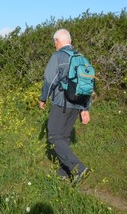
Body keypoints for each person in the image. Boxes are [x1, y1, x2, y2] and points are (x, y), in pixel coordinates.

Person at [39, 29, 92, 185]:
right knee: (64, 137)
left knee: (55, 136)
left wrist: (43, 98)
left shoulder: (58, 56)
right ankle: (64, 171)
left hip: (62, 103)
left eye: (54, 42)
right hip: (77, 103)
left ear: (57, 41)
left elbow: (50, 80)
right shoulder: (82, 58)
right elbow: (88, 85)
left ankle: (79, 169)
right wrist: (85, 108)